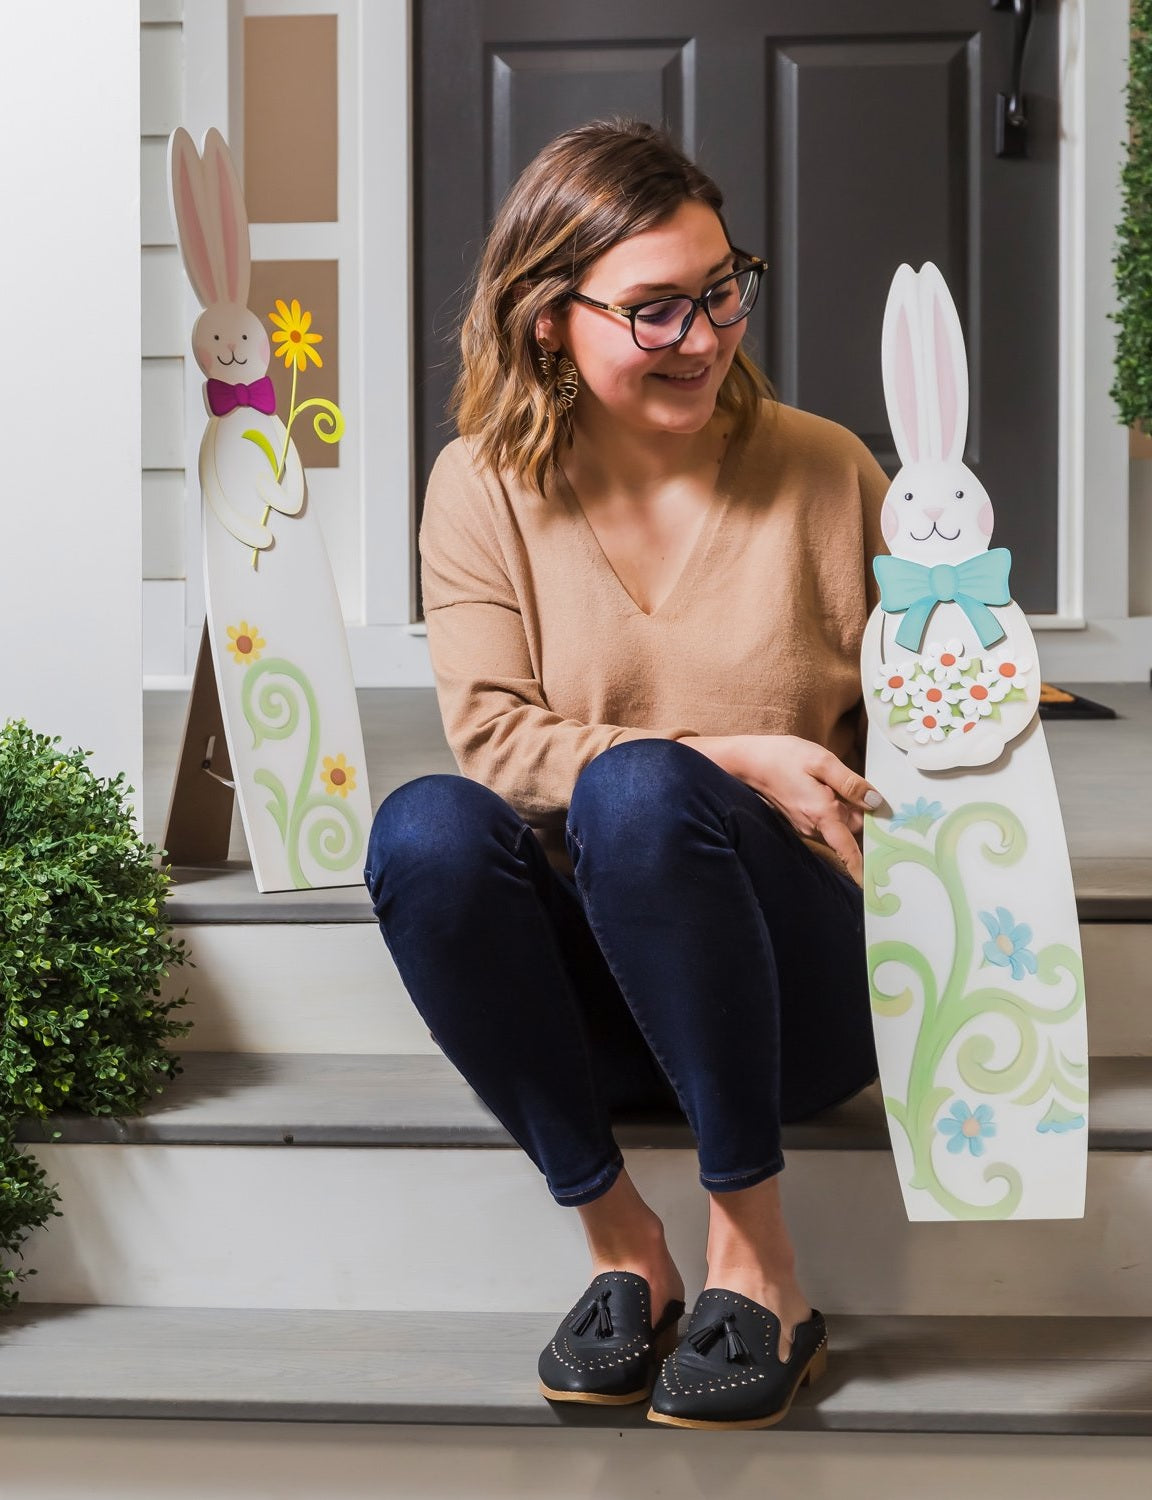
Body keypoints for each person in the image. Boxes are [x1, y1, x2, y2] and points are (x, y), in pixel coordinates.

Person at [364, 117, 890, 1431]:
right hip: (599, 1003)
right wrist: (735, 756)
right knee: (426, 827)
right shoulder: (479, 485)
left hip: (797, 1000)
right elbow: (492, 739)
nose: (707, 337)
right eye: (657, 312)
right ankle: (624, 1249)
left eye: (723, 292)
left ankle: (757, 1262)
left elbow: (941, 753)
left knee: (640, 795)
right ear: (551, 321)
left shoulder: (830, 472)